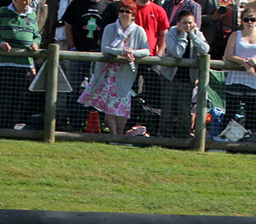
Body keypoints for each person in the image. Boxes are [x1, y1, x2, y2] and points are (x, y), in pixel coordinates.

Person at [77, 0, 148, 135]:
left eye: (128, 11)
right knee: (109, 107)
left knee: (123, 107)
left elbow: (146, 50)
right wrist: (121, 52)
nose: (124, 14)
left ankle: (120, 135)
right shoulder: (110, 28)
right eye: (121, 11)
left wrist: (132, 52)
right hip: (108, 73)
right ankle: (114, 135)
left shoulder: (139, 31)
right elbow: (105, 48)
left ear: (133, 14)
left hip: (125, 74)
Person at [0, 0, 41, 129]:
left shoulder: (32, 14)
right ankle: (0, 129)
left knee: (18, 99)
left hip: (24, 65)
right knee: (5, 98)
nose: (27, 1)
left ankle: (11, 130)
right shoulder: (3, 11)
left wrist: (35, 44)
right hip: (5, 63)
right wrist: (0, 43)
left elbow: (37, 36)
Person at [159, 8, 208, 137]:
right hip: (170, 77)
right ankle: (165, 137)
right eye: (185, 23)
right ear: (178, 23)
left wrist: (192, 35)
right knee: (167, 110)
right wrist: (183, 36)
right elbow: (177, 53)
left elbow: (204, 49)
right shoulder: (171, 33)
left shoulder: (197, 33)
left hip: (188, 79)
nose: (188, 26)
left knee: (184, 111)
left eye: (190, 23)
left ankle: (183, 137)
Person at [61, 0, 110, 131]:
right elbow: (68, 26)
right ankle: (74, 123)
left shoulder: (108, 7)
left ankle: (95, 126)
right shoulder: (77, 4)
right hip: (78, 55)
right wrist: (72, 48)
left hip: (99, 57)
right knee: (74, 89)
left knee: (97, 91)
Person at [223, 6, 256, 136]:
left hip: (255, 81)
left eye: (252, 19)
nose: (249, 22)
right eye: (246, 19)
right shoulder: (235, 35)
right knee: (231, 112)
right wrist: (244, 63)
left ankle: (248, 142)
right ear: (242, 21)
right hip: (236, 79)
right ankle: (224, 140)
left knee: (253, 114)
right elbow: (228, 55)